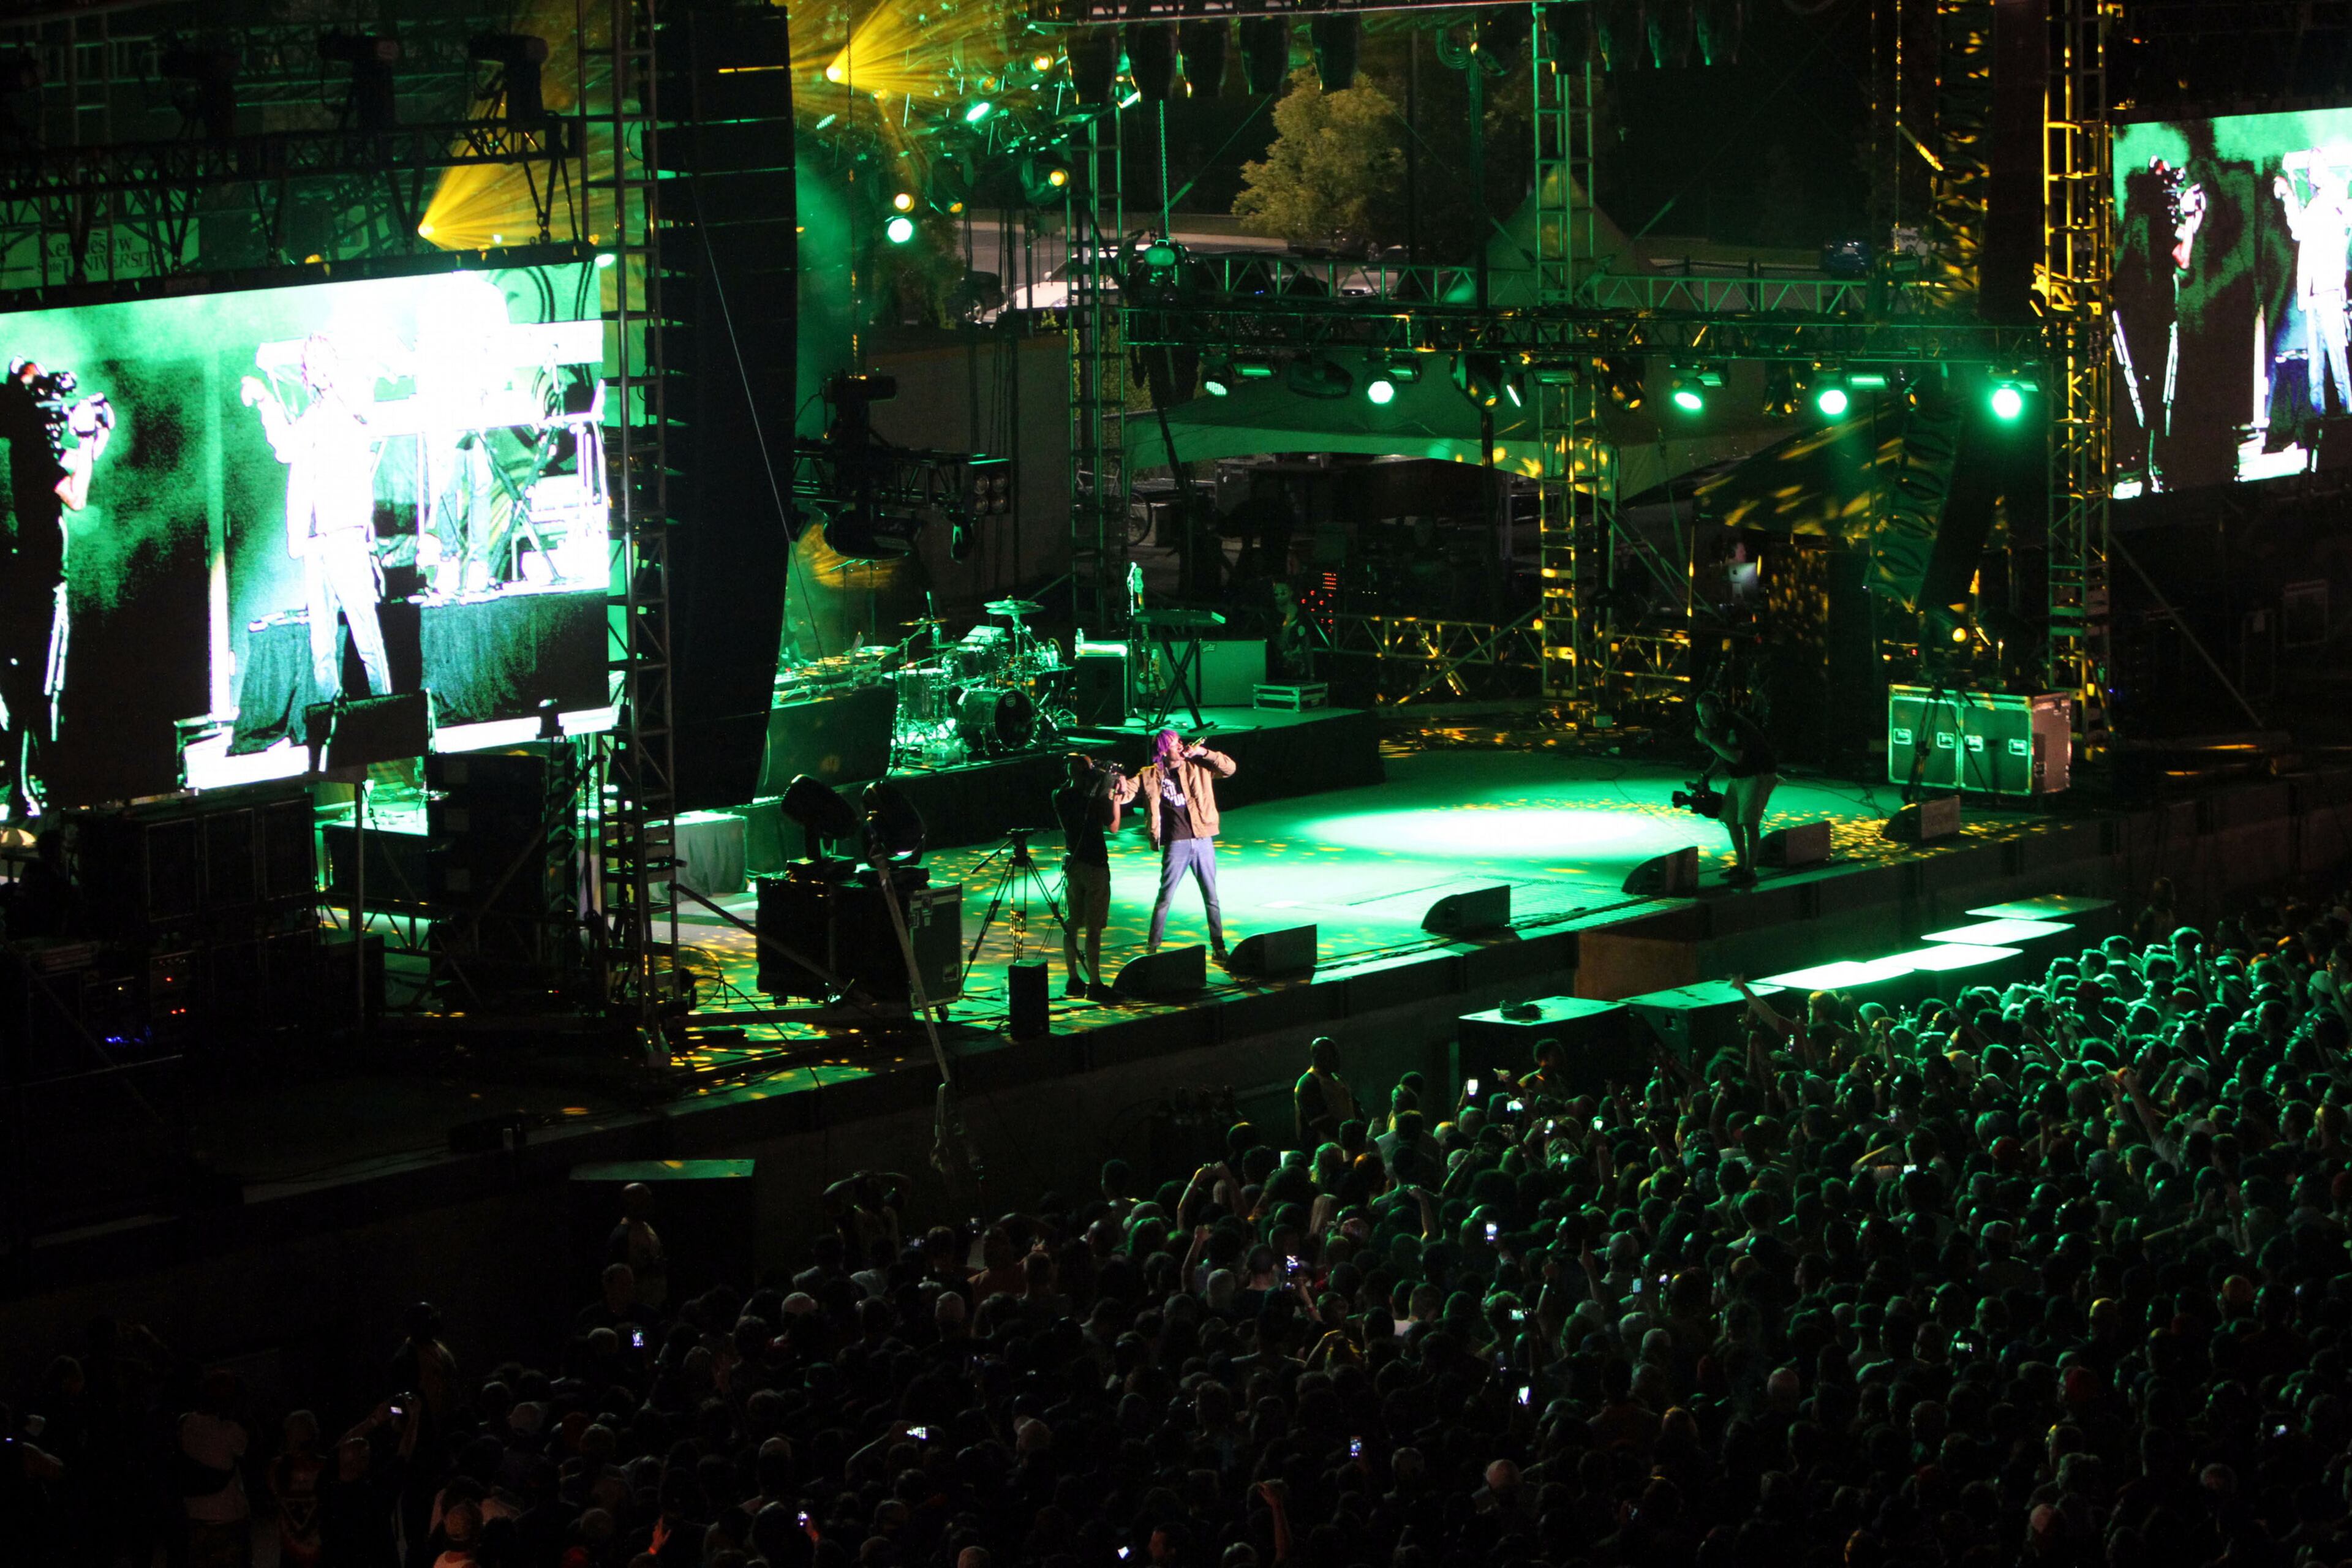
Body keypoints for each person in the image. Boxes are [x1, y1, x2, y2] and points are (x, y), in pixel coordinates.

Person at [243, 334, 391, 704]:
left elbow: (363, 406)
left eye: (322, 360)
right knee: (320, 642)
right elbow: (286, 447)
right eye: (310, 364)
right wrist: (266, 402)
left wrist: (334, 372)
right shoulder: (314, 415)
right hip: (315, 540)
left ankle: (383, 705)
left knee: (364, 631)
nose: (316, 369)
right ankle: (330, 709)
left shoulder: (351, 398)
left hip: (345, 534)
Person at [0, 357, 111, 818]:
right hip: (40, 585)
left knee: (19, 691)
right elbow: (77, 495)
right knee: (41, 689)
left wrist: (94, 437)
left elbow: (71, 466)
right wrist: (86, 438)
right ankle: (46, 790)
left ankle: (22, 789)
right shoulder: (30, 448)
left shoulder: (21, 448)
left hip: (19, 582)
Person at [1120, 728, 1238, 959]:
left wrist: (1203, 752)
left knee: (1211, 896)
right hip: (1177, 842)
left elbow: (1229, 769)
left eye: (1181, 742)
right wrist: (1119, 784)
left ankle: (1219, 946)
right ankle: (1152, 947)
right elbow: (1126, 794)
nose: (1181, 746)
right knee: (1166, 896)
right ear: (1164, 751)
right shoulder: (1149, 775)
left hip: (1203, 838)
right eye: (1175, 744)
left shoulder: (1198, 767)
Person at [2277, 159, 2352, 417]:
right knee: (2315, 363)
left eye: (2316, 167)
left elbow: (2346, 211)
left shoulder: (2336, 198)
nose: (2311, 173)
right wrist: (2288, 197)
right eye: (2310, 169)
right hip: (2313, 296)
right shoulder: (2313, 207)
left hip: (2330, 294)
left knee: (2338, 360)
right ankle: (2317, 415)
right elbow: (2298, 230)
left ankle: (2348, 412)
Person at [1053, 753, 1122, 999]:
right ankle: (1095, 983)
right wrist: (1114, 796)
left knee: (1072, 922)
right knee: (1094, 928)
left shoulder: (1059, 796)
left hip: (1073, 864)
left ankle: (1073, 979)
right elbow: (1113, 826)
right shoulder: (1094, 799)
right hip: (1095, 866)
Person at [1693, 690, 1777, 886]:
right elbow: (1723, 756)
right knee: (1730, 818)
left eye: (1704, 711)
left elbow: (1735, 757)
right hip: (1741, 776)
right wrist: (1706, 776)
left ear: (1717, 709)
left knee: (1749, 822)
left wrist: (1709, 741)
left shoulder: (1733, 725)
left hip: (1758, 774)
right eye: (1699, 712)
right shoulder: (1719, 726)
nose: (1701, 717)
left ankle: (1749, 872)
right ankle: (1741, 865)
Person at [178, 1370, 251, 1568]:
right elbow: (247, 1451)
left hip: (195, 1513)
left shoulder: (185, 1423)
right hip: (228, 1515)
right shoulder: (231, 1431)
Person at [605, 1182, 668, 1314]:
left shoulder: (646, 1227)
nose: (650, 1204)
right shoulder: (622, 1236)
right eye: (644, 1200)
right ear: (631, 1203)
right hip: (636, 1308)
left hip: (653, 1304)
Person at [1293, 1036, 1359, 1148]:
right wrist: (1351, 1135)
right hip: (1327, 1150)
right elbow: (1320, 1122)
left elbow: (1354, 1106)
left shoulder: (1337, 1079)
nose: (1338, 1060)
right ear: (1319, 1057)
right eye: (1333, 1056)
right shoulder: (1308, 1083)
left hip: (1346, 1145)